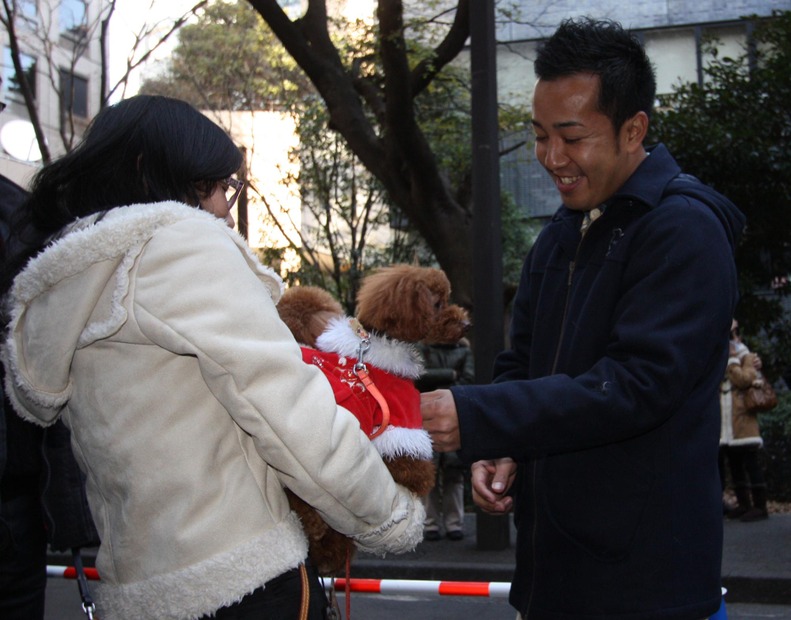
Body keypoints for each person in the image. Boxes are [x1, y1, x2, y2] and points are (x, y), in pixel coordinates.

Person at [0, 95, 423, 620]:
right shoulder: (178, 245)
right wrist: (388, 513)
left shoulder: (71, 275)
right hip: (244, 576)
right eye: (216, 184)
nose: (225, 203)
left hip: (137, 587)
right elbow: (286, 409)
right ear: (150, 171)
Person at [421, 17, 745, 620]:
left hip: (648, 590)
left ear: (633, 129)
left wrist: (477, 414)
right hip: (552, 578)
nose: (551, 158)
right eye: (540, 135)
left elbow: (636, 386)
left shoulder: (683, 231)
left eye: (571, 137)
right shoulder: (563, 233)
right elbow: (523, 362)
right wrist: (502, 441)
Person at [415, 338, 475, 541]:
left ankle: (449, 523)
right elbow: (418, 375)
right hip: (435, 414)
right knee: (430, 474)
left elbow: (469, 378)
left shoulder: (460, 350)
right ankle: (437, 523)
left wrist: (436, 381)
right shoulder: (424, 348)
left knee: (452, 474)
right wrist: (450, 375)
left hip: (444, 414)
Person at [720, 320, 770, 521]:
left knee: (751, 463)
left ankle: (760, 506)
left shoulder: (745, 355)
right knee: (734, 463)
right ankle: (743, 504)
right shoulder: (718, 356)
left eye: (733, 335)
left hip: (743, 418)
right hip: (726, 420)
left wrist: (732, 361)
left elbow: (744, 379)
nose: (731, 339)